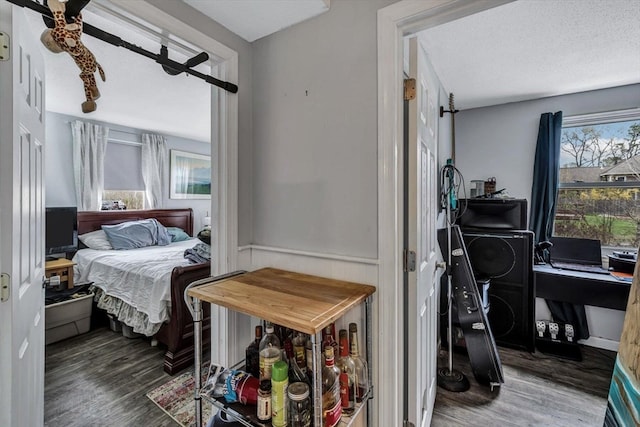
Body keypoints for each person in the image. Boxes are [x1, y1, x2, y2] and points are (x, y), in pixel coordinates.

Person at [40, 0, 105, 113]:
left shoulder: (54, 26)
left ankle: (93, 93)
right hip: (67, 21)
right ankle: (93, 93)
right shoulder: (57, 28)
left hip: (64, 21)